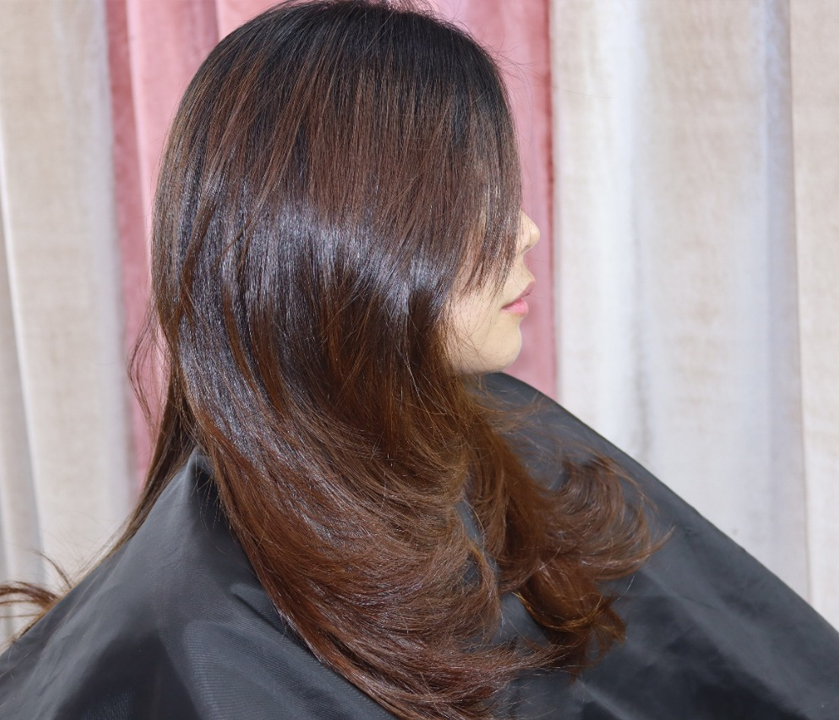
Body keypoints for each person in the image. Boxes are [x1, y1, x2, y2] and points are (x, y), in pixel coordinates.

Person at [1, 1, 838, 718]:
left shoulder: (481, 427)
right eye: (474, 203)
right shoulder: (207, 637)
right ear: (343, 236)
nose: (525, 232)